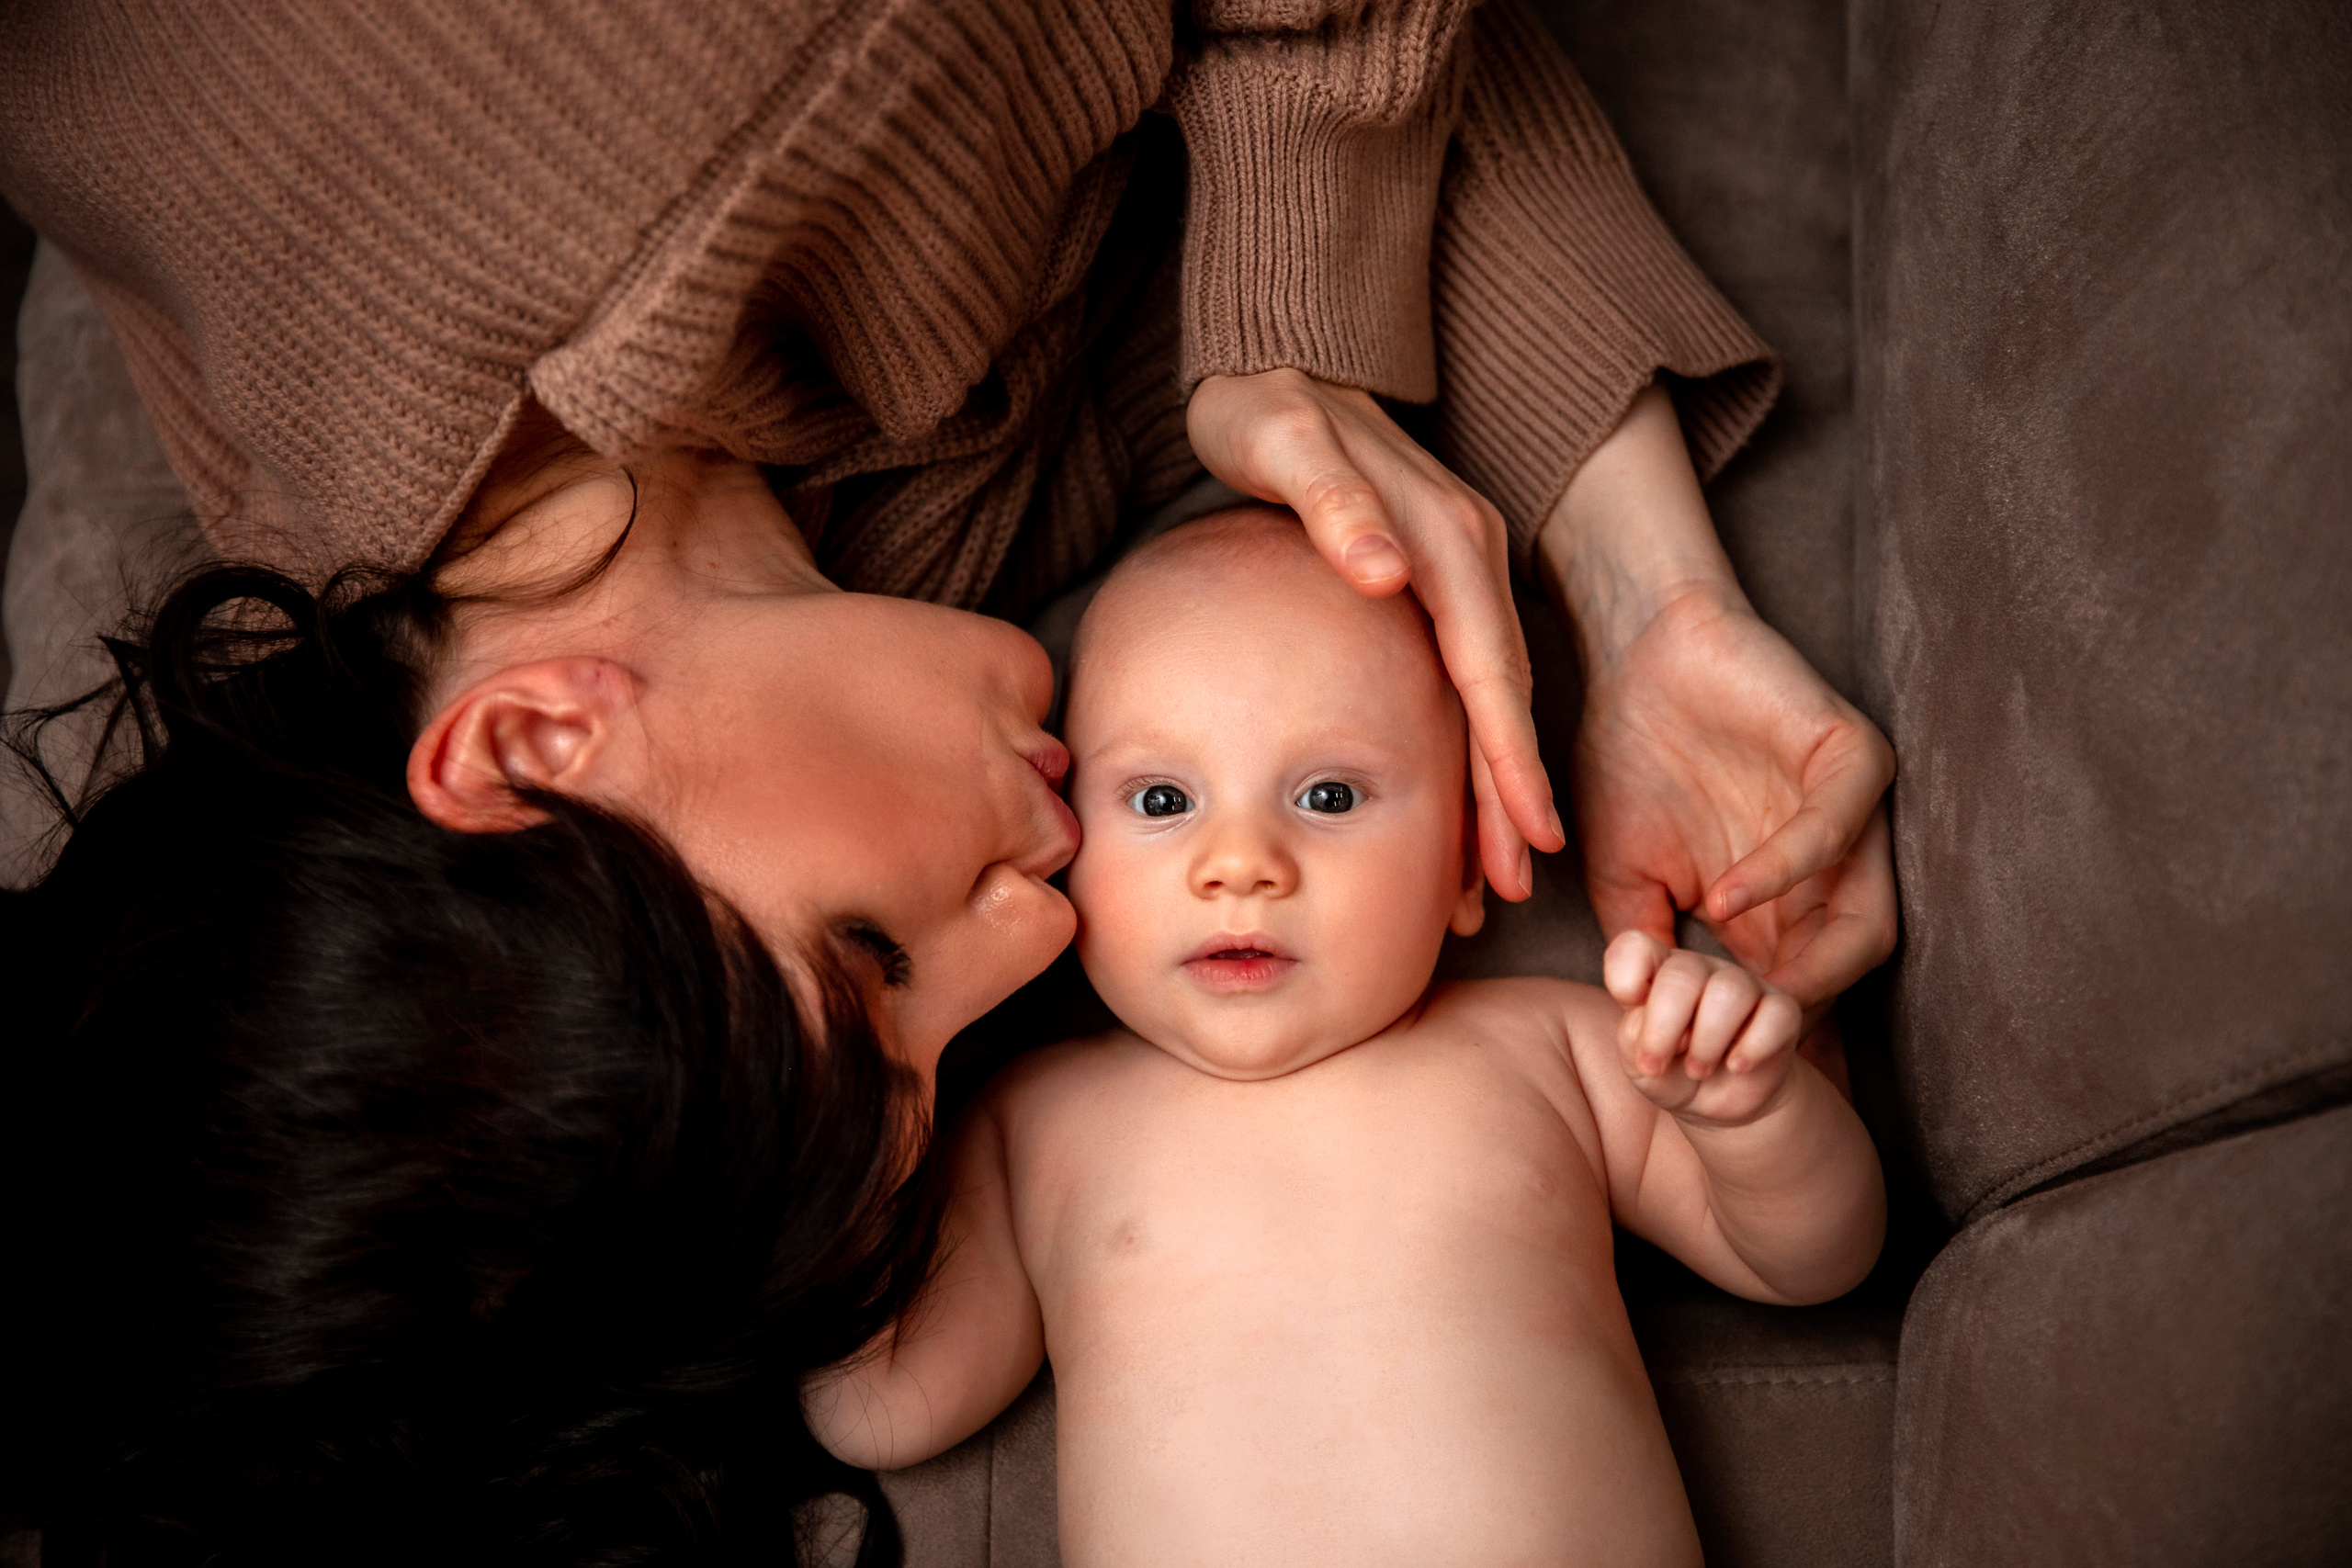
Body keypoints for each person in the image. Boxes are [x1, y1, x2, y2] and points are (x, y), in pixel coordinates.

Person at [0, 0, 1892, 1559]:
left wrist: (1288, 304)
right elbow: (1400, 145)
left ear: (532, 743)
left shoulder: (776, 82)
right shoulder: (868, 572)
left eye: (868, 960)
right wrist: (1649, 601)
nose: (1047, 920)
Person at [799, 508, 1886, 1564]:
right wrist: (840, 1119)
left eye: (1326, 793)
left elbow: (1811, 1261)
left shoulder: (1554, 1048)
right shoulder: (1030, 1125)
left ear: (1466, 860)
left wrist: (1749, 1111)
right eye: (1164, 797)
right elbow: (887, 1408)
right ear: (1062, 848)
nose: (1240, 861)